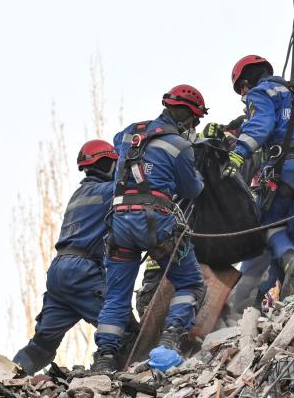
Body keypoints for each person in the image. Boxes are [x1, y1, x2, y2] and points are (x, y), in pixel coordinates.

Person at [92, 85, 207, 372]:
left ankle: (104, 357)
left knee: (117, 293)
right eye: (194, 121)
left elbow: (120, 144)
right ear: (187, 118)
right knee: (190, 282)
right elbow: (192, 191)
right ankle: (169, 341)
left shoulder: (130, 133)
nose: (193, 127)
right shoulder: (180, 146)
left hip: (119, 221)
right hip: (156, 221)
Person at [13, 140, 127, 375]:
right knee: (120, 323)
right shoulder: (106, 191)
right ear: (107, 163)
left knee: (43, 342)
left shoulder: (78, 195)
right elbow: (132, 190)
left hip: (58, 272)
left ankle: (9, 375)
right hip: (82, 271)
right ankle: (122, 371)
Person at [223, 55, 294, 303]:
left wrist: (237, 156)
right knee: (293, 241)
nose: (245, 95)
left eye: (242, 90)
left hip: (286, 167)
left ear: (248, 81)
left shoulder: (261, 92)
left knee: (266, 225)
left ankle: (285, 271)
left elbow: (260, 125)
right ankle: (273, 297)